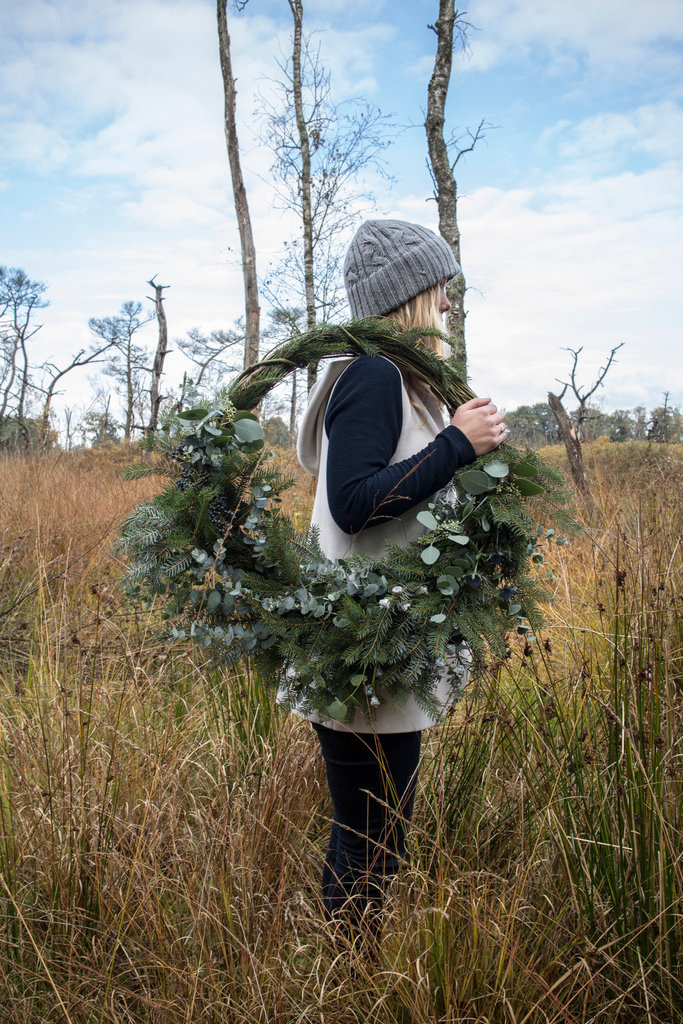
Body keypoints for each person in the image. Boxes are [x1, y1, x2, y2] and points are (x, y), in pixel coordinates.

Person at [293, 218, 508, 949]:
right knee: (370, 843)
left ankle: (349, 967)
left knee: (374, 835)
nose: (448, 306)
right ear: (412, 295)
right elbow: (354, 504)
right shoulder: (375, 376)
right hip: (363, 650)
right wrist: (456, 443)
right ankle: (348, 975)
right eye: (441, 288)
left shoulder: (394, 381)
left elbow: (395, 492)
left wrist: (458, 454)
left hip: (380, 647)